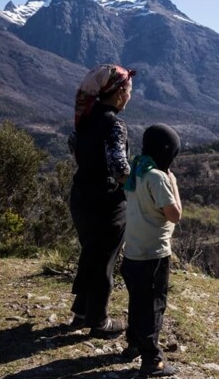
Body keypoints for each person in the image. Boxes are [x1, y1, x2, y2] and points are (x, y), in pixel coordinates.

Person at [68, 64, 136, 338]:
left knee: (91, 254)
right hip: (105, 203)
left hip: (81, 197)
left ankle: (82, 311)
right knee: (104, 260)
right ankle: (99, 322)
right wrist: (138, 187)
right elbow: (118, 166)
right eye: (129, 89)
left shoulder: (85, 117)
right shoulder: (114, 123)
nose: (131, 94)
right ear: (119, 92)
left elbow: (74, 145)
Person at [120, 123, 182, 377]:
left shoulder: (136, 171)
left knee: (137, 301)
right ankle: (152, 359)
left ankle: (133, 343)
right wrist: (173, 182)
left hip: (132, 251)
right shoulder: (158, 178)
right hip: (153, 254)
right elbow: (175, 214)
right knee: (154, 305)